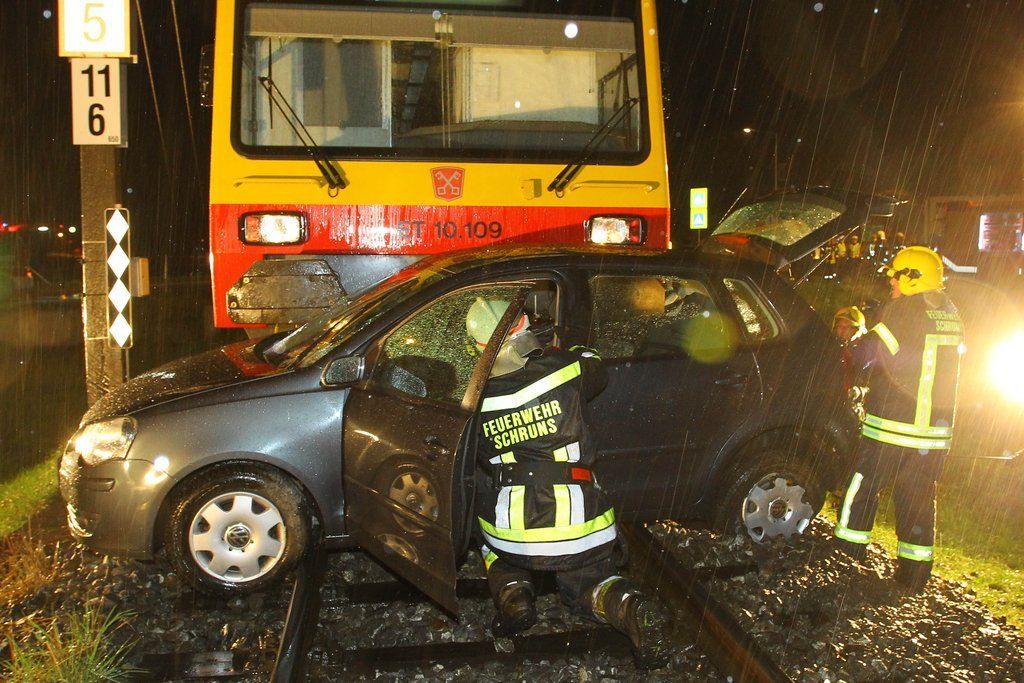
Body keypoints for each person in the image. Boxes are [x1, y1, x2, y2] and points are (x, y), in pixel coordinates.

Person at [467, 297, 672, 668]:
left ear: (478, 348)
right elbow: (596, 367)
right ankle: (628, 606)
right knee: (590, 587)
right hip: (580, 526)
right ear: (525, 327)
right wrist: (560, 346)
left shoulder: (474, 398)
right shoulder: (565, 367)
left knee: (484, 529)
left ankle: (514, 594)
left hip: (511, 534)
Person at [833, 247, 964, 592]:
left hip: (893, 425)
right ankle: (913, 576)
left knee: (862, 485)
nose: (891, 280)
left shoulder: (903, 310)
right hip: (932, 434)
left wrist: (846, 348)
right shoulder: (950, 312)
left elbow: (865, 354)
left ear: (913, 278)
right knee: (917, 498)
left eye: (896, 275)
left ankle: (845, 558)